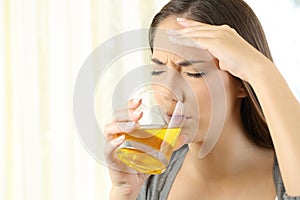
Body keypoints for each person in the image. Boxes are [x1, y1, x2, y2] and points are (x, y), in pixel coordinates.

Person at [104, 0, 300, 199]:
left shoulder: (289, 174)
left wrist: (260, 68)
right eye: (158, 70)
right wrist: (124, 193)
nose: (168, 91)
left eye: (193, 73)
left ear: (242, 82)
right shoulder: (152, 181)